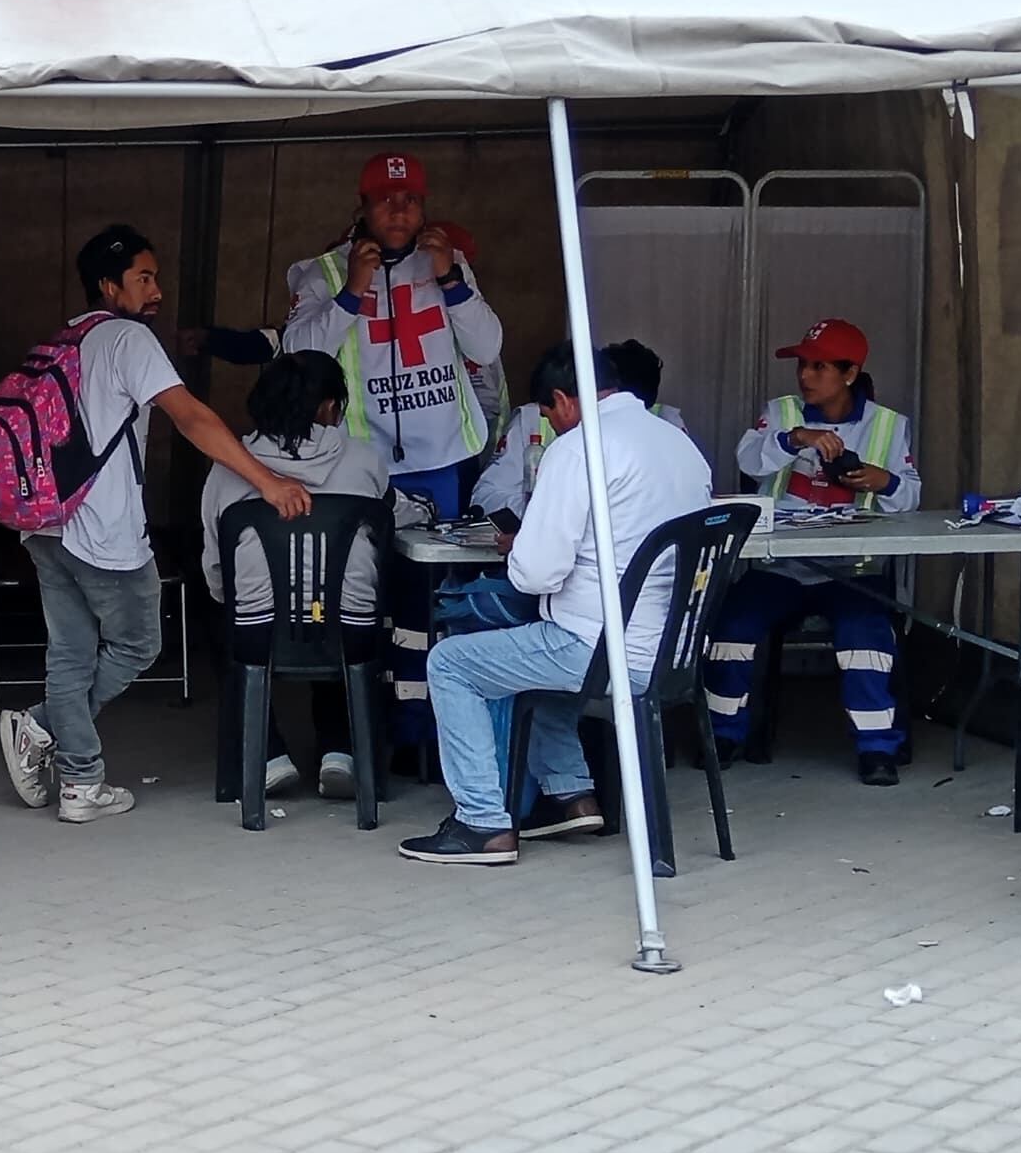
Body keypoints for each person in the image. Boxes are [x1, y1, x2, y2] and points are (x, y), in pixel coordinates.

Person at [0, 225, 316, 823]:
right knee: (140, 644)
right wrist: (267, 481)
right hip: (104, 527)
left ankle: (76, 777)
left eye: (156, 277)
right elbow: (192, 417)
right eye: (144, 278)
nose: (157, 291)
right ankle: (47, 733)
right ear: (108, 285)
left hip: (45, 522)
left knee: (69, 654)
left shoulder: (68, 337)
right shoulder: (128, 339)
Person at [400, 341, 711, 866]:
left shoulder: (579, 448)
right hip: (672, 652)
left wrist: (522, 546)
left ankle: (482, 823)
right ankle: (573, 797)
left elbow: (535, 574)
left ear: (564, 400)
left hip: (603, 650)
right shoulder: (678, 442)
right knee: (539, 661)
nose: (551, 422)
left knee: (452, 664)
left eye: (548, 412)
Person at [283, 155, 506, 761]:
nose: (399, 210)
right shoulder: (322, 271)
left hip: (440, 461)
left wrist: (453, 281)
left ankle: (419, 736)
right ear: (362, 207)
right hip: (359, 465)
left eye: (409, 199)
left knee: (427, 604)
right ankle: (356, 735)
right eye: (385, 199)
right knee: (356, 596)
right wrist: (352, 293)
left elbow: (487, 345)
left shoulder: (447, 265)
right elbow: (296, 355)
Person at [705, 316, 920, 786]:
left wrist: (883, 481)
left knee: (866, 635)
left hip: (852, 569)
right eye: (802, 365)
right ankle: (722, 734)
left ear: (848, 373)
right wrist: (794, 439)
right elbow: (747, 460)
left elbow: (911, 500)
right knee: (731, 628)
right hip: (780, 567)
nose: (805, 376)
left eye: (819, 367)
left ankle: (877, 749)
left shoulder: (888, 425)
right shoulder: (782, 412)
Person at [199, 348, 395, 806]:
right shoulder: (364, 460)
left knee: (218, 615)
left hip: (259, 633)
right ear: (330, 407)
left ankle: (267, 756)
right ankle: (341, 752)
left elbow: (214, 570)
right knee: (328, 606)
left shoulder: (227, 469)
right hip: (351, 631)